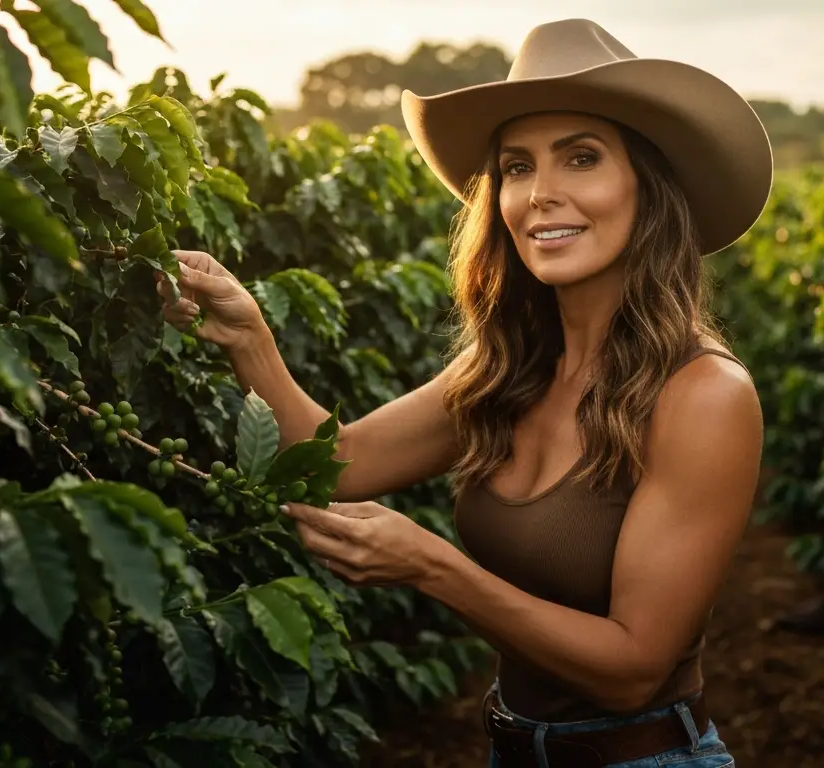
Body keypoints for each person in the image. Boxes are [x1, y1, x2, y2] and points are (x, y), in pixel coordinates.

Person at [155, 18, 772, 767]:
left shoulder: (702, 393)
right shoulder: (508, 366)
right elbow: (340, 462)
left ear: (648, 186)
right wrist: (249, 337)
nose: (542, 194)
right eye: (517, 167)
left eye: (581, 158)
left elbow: (633, 667)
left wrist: (431, 566)